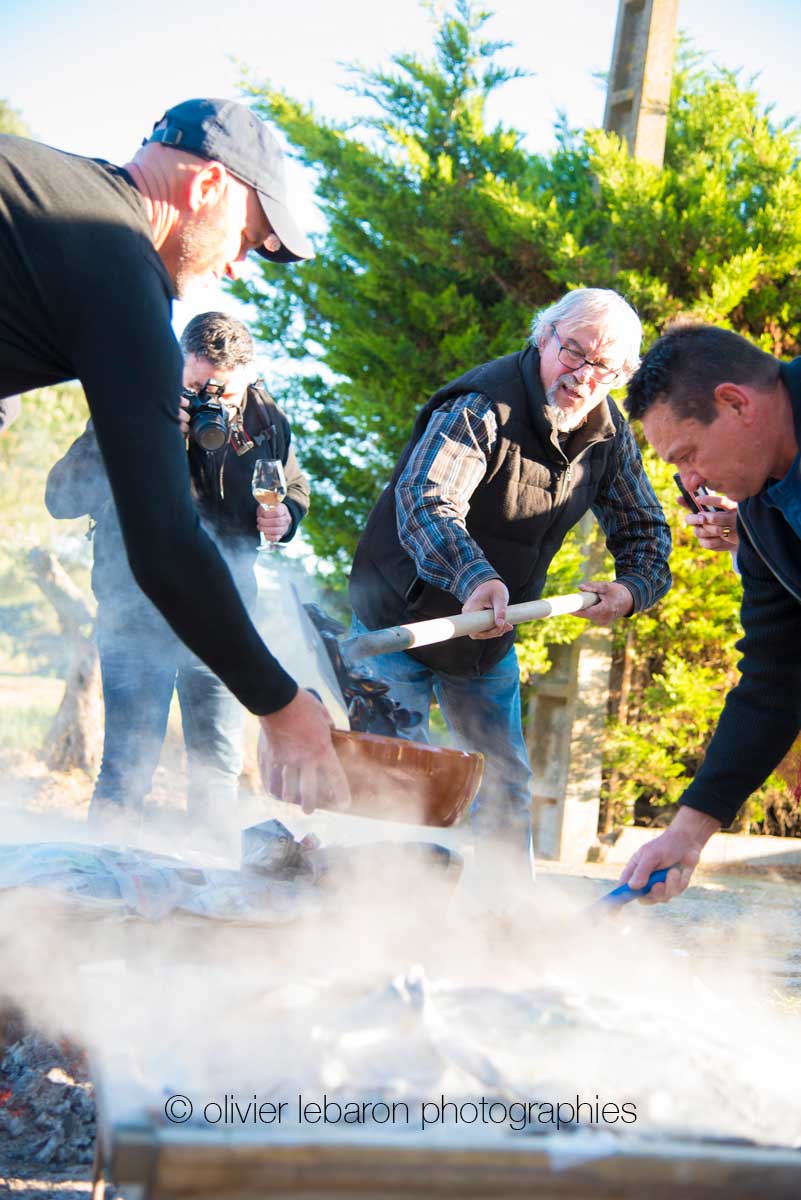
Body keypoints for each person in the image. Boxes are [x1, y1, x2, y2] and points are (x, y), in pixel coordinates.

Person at [0, 97, 347, 810]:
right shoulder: (118, 268)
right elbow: (163, 546)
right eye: (245, 239)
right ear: (207, 188)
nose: (239, 267)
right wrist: (283, 708)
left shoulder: (47, 201)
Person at [348, 288, 672, 881]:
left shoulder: (608, 436)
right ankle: (386, 912)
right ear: (542, 338)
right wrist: (475, 578)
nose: (582, 375)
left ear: (622, 375)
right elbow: (427, 500)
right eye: (573, 352)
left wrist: (632, 589)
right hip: (399, 618)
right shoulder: (481, 406)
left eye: (604, 366)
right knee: (394, 773)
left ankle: (504, 918)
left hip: (486, 635)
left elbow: (645, 530)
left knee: (505, 779)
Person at [46, 312, 310, 832]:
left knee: (217, 769)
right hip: (137, 613)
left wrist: (288, 514)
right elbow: (60, 498)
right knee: (127, 768)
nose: (212, 401)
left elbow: (293, 485)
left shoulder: (267, 418)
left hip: (225, 618)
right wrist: (142, 431)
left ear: (249, 377)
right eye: (196, 387)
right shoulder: (136, 405)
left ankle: (206, 893)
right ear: (177, 368)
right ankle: (101, 891)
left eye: (224, 393)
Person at [621, 323, 801, 903]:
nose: (691, 482)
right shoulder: (757, 514)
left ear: (736, 402)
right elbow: (775, 680)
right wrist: (687, 833)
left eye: (689, 456)